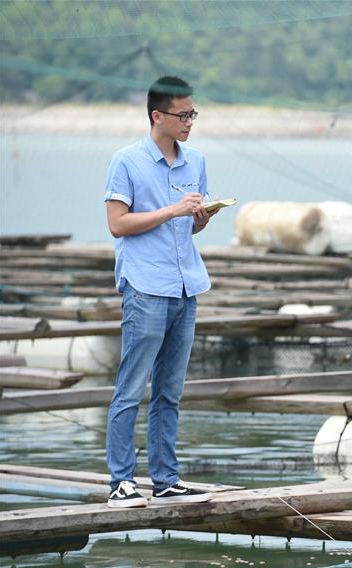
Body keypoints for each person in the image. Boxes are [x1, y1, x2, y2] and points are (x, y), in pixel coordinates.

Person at [103, 76, 216, 508]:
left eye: (193, 114)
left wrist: (201, 217)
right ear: (158, 116)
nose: (190, 122)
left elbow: (188, 223)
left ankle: (166, 478)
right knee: (131, 386)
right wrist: (173, 210)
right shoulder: (127, 161)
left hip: (186, 283)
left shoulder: (197, 161)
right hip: (145, 285)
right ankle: (120, 482)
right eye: (182, 115)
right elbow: (118, 224)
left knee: (170, 390)